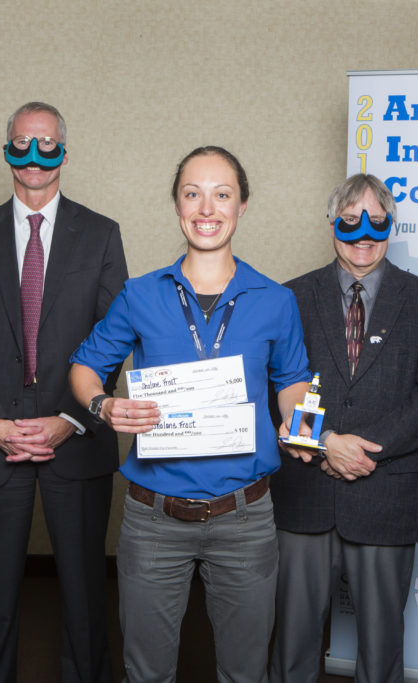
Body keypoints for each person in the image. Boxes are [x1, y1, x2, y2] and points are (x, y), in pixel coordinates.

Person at [70, 145, 311, 683]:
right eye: (192, 193)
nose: (208, 207)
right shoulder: (138, 295)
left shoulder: (275, 299)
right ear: (177, 206)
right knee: (146, 673)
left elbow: (294, 381)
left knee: (245, 673)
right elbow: (85, 368)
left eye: (222, 194)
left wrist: (302, 430)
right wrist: (103, 405)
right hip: (153, 519)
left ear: (242, 205)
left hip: (245, 519)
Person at [0, 102, 127, 681]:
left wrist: (70, 419)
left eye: (47, 144)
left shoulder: (100, 234)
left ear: (63, 153)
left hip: (75, 438)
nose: (34, 156)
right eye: (22, 143)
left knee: (85, 602)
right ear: (6, 152)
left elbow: (113, 337)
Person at [269, 174, 418, 683]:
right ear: (333, 225)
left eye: (376, 221)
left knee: (381, 649)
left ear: (391, 226)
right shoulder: (290, 298)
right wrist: (325, 444)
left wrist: (364, 451)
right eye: (350, 222)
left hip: (386, 495)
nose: (364, 234)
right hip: (305, 495)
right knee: (292, 643)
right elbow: (277, 384)